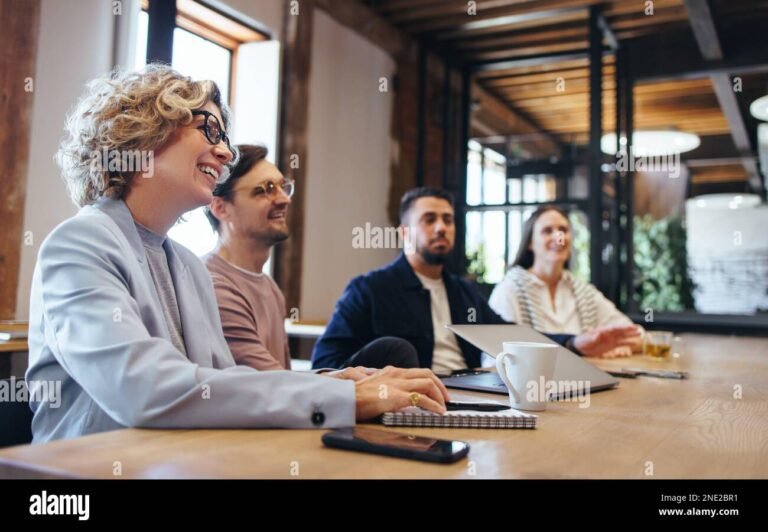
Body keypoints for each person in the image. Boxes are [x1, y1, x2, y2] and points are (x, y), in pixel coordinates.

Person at [26, 65, 448, 443]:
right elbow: (142, 389)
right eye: (209, 130)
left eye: (224, 137)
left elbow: (220, 385)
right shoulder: (79, 243)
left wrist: (334, 380)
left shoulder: (187, 265)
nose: (226, 153)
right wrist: (337, 394)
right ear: (143, 131)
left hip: (178, 462)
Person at [311, 187, 641, 372]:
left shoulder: (463, 292)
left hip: (470, 397)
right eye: (429, 219)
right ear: (404, 232)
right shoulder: (370, 289)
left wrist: (573, 343)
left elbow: (509, 335)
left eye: (448, 219)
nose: (441, 227)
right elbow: (324, 365)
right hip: (408, 407)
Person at [204, 144, 417, 370]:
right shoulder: (214, 285)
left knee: (393, 351)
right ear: (221, 208)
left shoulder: (269, 286)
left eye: (282, 187)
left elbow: (284, 380)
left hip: (279, 399)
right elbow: (269, 383)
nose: (284, 200)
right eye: (265, 189)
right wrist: (352, 387)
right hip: (255, 402)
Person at [489, 206, 642, 357]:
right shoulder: (509, 290)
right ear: (530, 243)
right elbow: (494, 354)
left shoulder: (583, 291)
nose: (558, 237)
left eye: (563, 230)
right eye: (547, 231)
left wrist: (615, 346)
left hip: (584, 379)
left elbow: (637, 335)